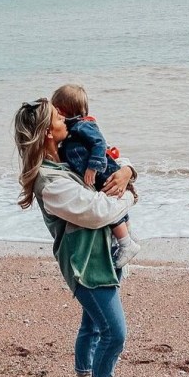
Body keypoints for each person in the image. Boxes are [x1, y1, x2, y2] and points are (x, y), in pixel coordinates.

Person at [14, 97, 138, 377]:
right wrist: (130, 194)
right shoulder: (49, 181)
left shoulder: (69, 151)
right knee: (115, 332)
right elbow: (97, 213)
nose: (67, 121)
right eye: (58, 118)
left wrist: (127, 171)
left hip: (105, 253)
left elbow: (110, 155)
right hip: (84, 263)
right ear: (47, 134)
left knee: (93, 323)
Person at [51, 83, 140, 270]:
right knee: (113, 205)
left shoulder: (82, 126)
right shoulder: (68, 141)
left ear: (61, 111)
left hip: (101, 173)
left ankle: (126, 242)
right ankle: (126, 238)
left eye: (57, 114)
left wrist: (98, 168)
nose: (57, 117)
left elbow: (101, 145)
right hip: (99, 178)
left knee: (112, 200)